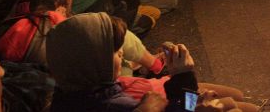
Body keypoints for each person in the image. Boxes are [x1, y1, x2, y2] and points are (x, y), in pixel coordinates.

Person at [46, 13, 257, 111]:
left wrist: (191, 98)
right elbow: (184, 109)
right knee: (239, 108)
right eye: (114, 51)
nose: (121, 54)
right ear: (92, 62)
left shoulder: (69, 93)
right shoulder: (117, 105)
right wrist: (183, 77)